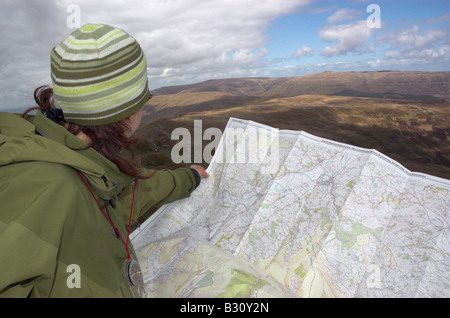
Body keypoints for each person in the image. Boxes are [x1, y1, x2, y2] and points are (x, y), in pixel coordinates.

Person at [0, 23, 208, 298]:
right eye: (142, 99)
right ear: (125, 115)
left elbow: (127, 192)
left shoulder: (79, 157)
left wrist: (188, 178)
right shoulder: (51, 189)